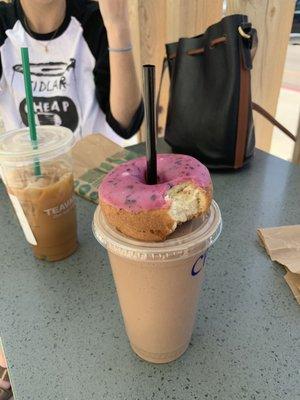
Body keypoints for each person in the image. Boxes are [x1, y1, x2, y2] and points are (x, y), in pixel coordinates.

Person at [0, 0, 143, 396]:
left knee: (102, 323)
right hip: (26, 196)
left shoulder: (93, 18)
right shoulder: (4, 27)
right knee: (29, 314)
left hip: (97, 191)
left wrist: (118, 24)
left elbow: (126, 120)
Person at [0, 0, 143, 145]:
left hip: (96, 164)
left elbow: (126, 125)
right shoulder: (4, 24)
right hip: (23, 166)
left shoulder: (95, 21)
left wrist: (118, 27)